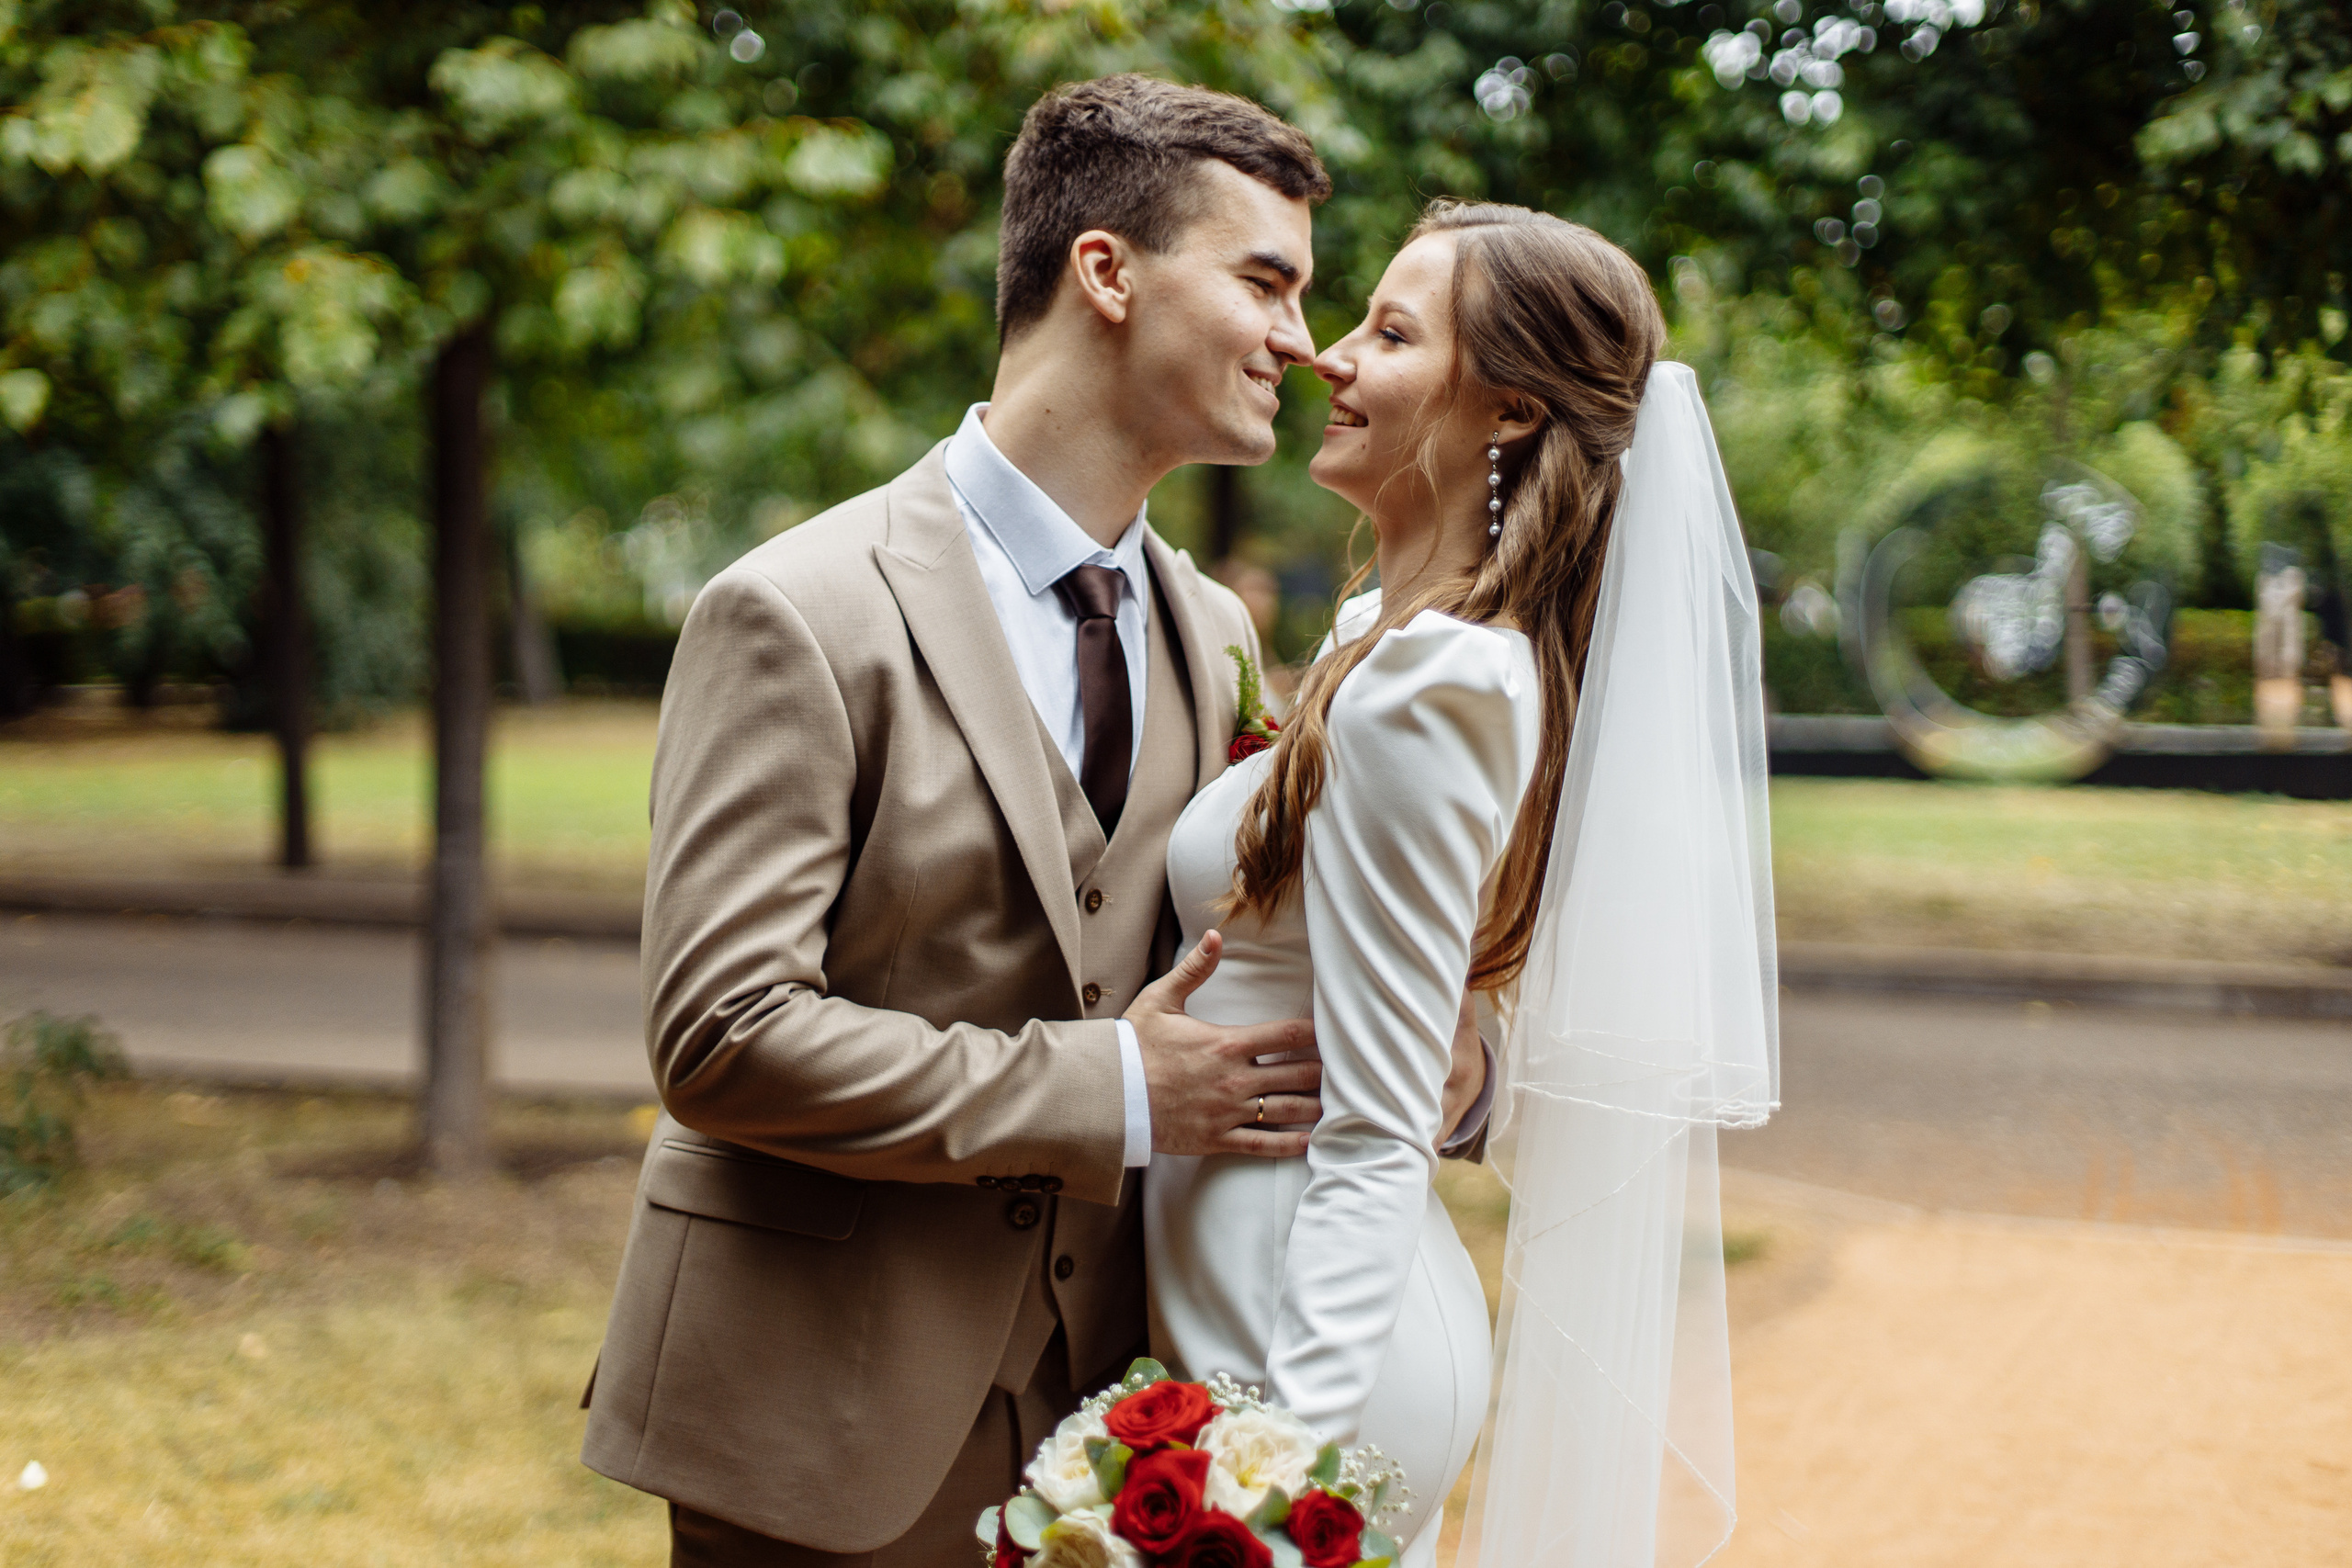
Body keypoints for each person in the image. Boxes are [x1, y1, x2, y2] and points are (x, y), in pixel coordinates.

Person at [579, 77, 1491, 1567]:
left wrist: (1454, 1064)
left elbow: (1321, 932)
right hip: (826, 1420)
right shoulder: (797, 613)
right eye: (1265, 281)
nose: (1300, 342)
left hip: (1128, 1420)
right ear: (1107, 272)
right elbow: (721, 1035)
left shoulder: (1214, 637)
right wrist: (1116, 1093)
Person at [1147, 202, 1779, 1567]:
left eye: (1387, 331)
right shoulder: (1392, 636)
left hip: (1310, 1324)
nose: (1326, 355)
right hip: (1247, 1287)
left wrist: (1277, 1485)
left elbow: (1378, 1132)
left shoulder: (1439, 680)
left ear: (1506, 412)